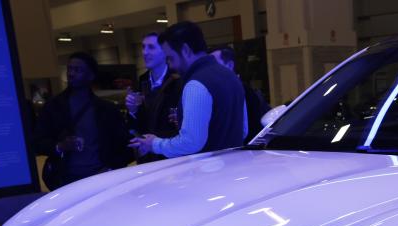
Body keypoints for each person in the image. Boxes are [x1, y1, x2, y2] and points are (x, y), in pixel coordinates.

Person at [129, 21, 246, 159]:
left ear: (185, 50)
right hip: (234, 167)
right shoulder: (231, 77)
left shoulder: (196, 84)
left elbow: (191, 143)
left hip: (208, 172)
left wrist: (154, 144)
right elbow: (243, 130)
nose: (170, 64)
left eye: (171, 58)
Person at [34, 52, 132, 189]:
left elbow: (124, 145)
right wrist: (60, 146)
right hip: (66, 179)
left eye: (78, 70)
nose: (71, 73)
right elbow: (38, 142)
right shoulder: (53, 107)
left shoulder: (107, 109)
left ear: (91, 76)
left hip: (101, 178)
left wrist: (111, 168)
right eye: (69, 69)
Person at [126, 32, 181, 162]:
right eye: (143, 47)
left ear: (164, 51)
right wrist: (133, 111)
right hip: (148, 158)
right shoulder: (141, 81)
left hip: (172, 156)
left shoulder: (178, 80)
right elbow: (136, 126)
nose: (145, 52)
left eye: (151, 47)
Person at [210, 46, 271, 141]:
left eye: (214, 65)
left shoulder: (243, 91)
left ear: (230, 65)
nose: (210, 70)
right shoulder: (227, 90)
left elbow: (246, 131)